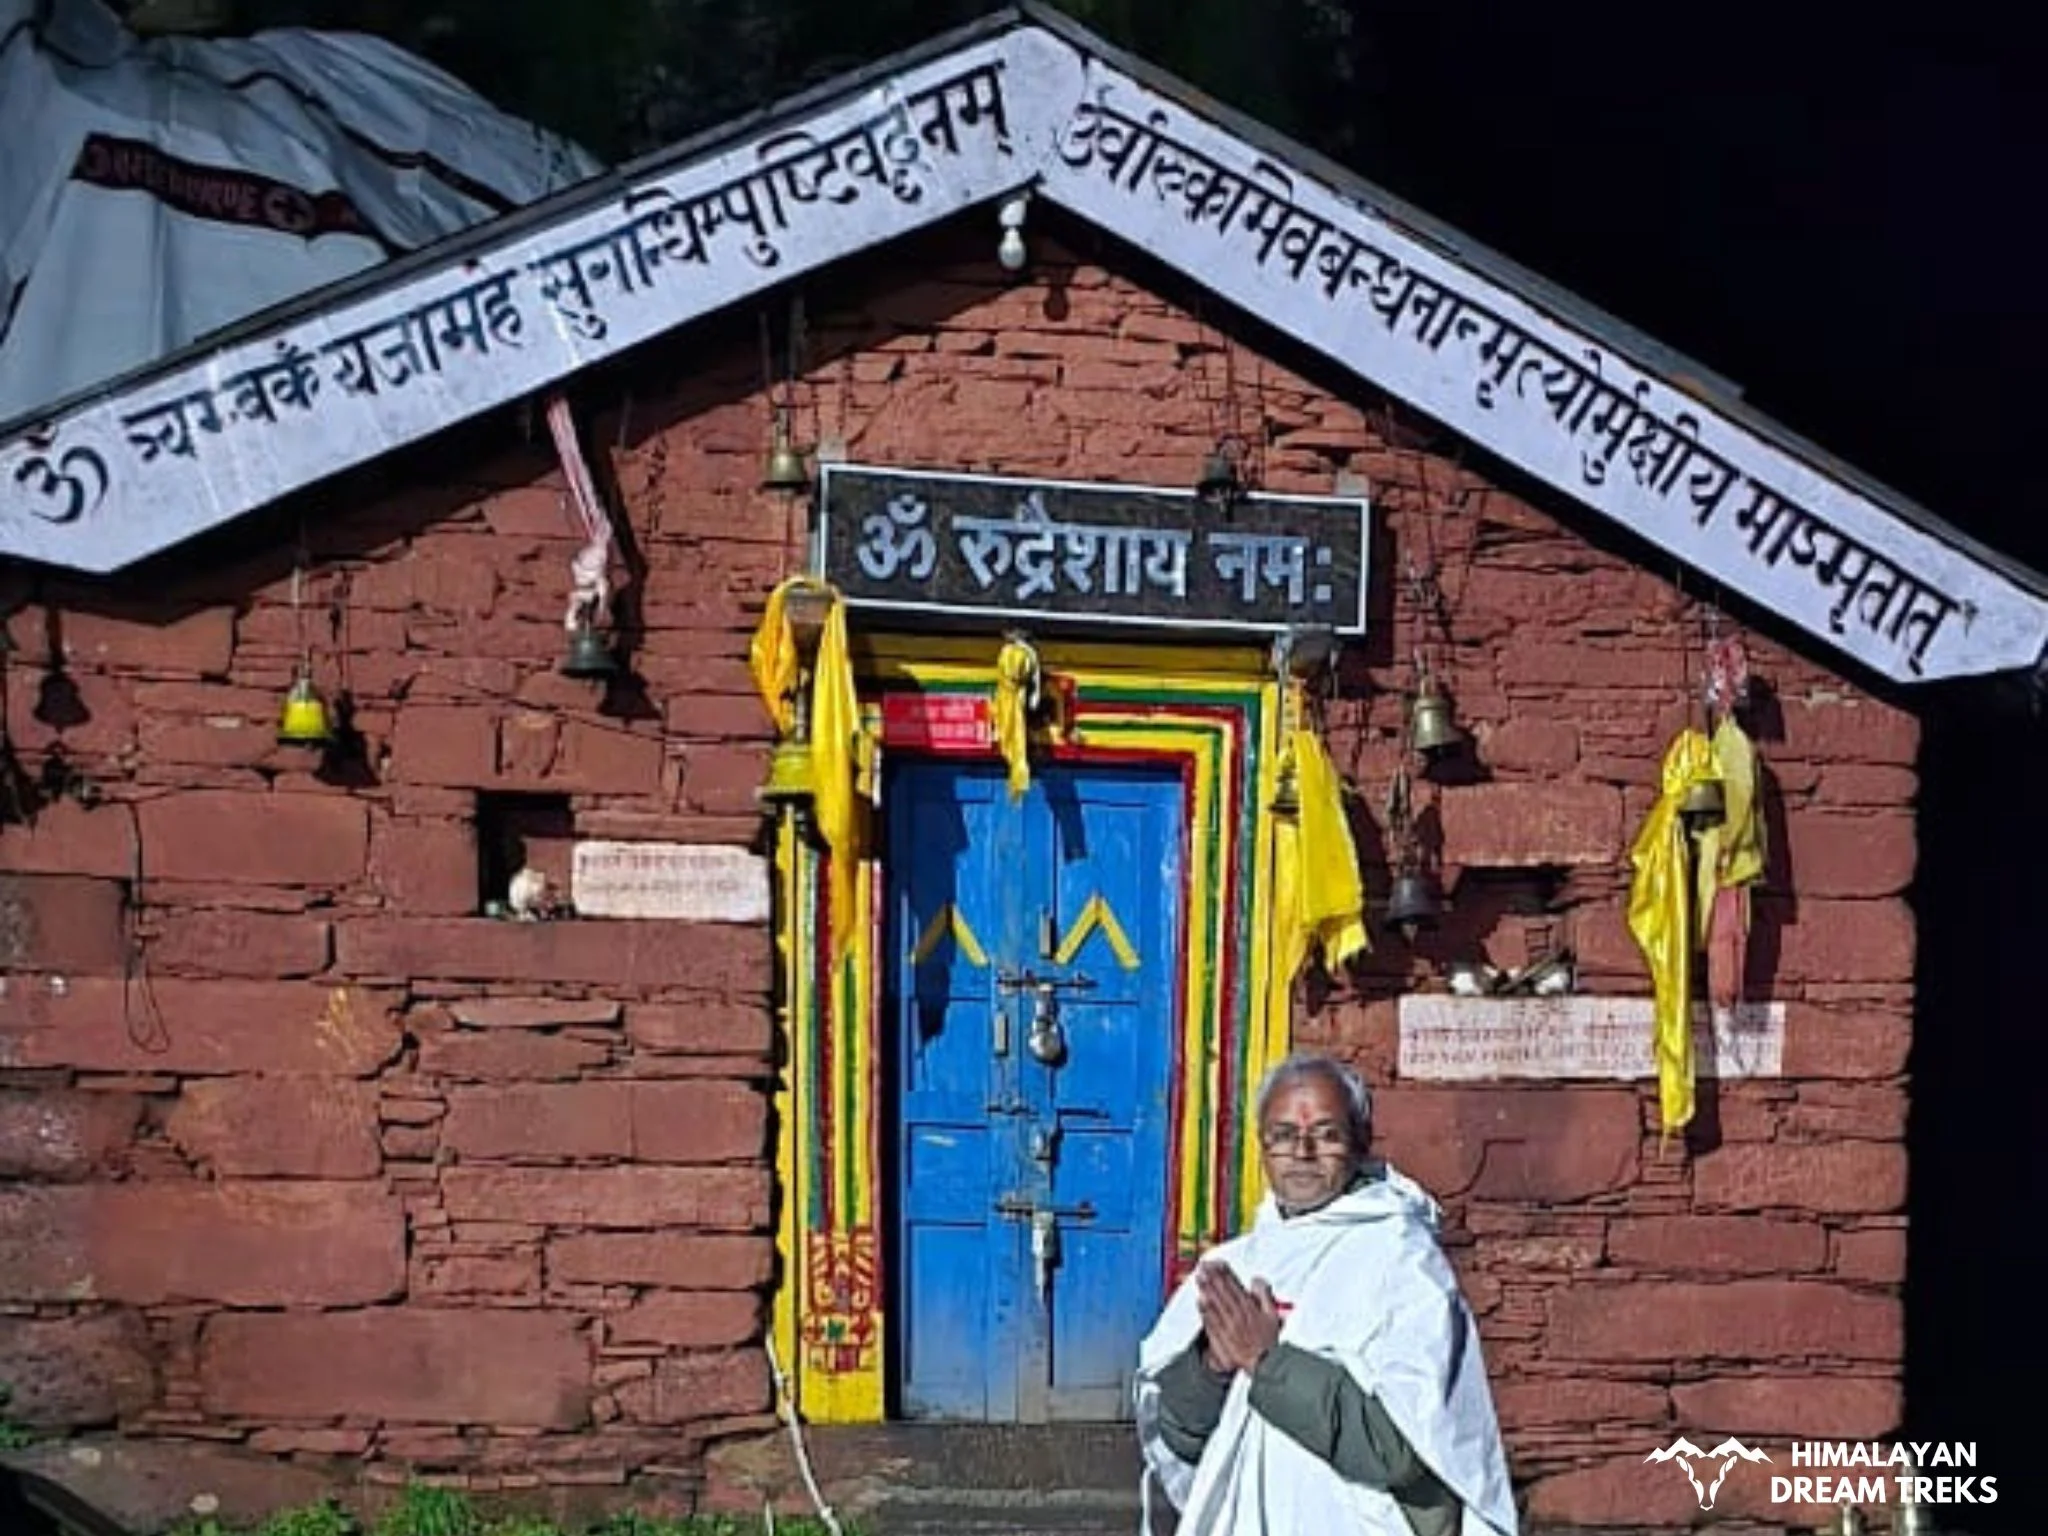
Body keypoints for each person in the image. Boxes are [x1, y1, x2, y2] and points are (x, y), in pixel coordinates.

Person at [1133, 1052, 1518, 1536]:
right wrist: (1211, 1366)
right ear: (1262, 1146)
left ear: (1359, 1143)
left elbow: (1402, 1452)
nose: (1303, 1151)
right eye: (1283, 1135)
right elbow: (1180, 1441)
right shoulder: (1236, 1264)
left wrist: (1269, 1362)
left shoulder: (1401, 1262)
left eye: (1327, 1133)